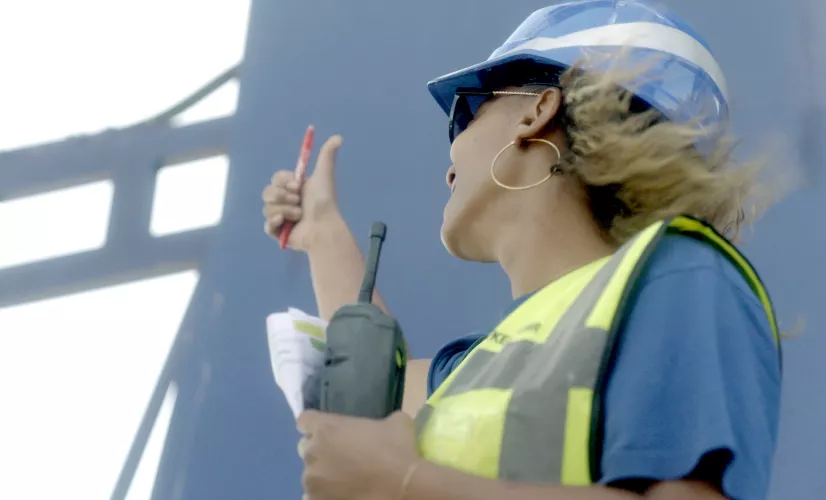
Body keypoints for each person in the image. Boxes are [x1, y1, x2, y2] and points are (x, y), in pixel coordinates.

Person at [262, 1, 782, 499]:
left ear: (537, 110)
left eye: (466, 113)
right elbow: (378, 382)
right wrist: (321, 232)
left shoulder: (681, 274)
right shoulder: (490, 362)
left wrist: (404, 484)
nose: (450, 155)